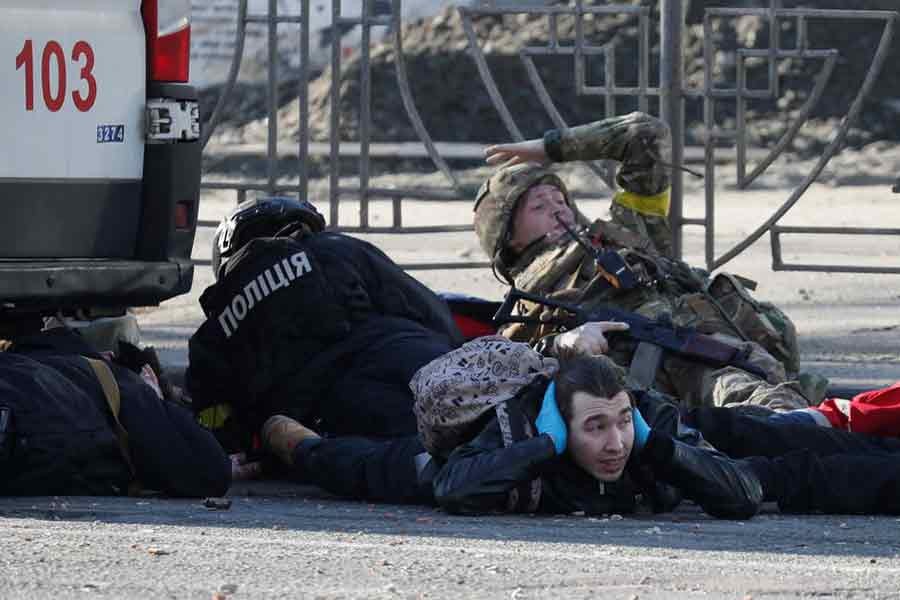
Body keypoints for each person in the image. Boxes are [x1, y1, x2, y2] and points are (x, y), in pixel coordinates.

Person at [258, 354, 900, 518]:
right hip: (442, 460)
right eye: (597, 428)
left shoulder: (645, 422)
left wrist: (654, 444)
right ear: (562, 426)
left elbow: (738, 494)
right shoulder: (515, 430)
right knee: (359, 464)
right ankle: (281, 438)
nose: (614, 441)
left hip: (672, 453)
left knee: (798, 461)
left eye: (620, 421)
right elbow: (455, 487)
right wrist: (543, 450)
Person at [474, 111, 823, 410]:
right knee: (785, 418)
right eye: (538, 206)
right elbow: (507, 364)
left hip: (740, 354)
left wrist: (551, 148)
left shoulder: (626, 227)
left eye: (559, 198)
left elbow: (644, 133)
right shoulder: (531, 297)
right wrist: (566, 342)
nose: (557, 207)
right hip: (679, 384)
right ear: (510, 240)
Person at [186, 197, 463, 452]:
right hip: (417, 364)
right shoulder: (337, 248)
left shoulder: (215, 327)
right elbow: (434, 315)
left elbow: (212, 421)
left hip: (340, 420)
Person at [0, 327, 231, 497]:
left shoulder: (60, 351)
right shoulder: (130, 391)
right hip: (23, 422)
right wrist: (155, 398)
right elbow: (213, 472)